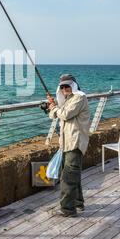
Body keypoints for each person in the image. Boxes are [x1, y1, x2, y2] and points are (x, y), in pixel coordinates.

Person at [47, 74, 91, 217]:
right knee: (74, 175)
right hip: (67, 143)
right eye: (62, 87)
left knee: (67, 178)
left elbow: (65, 114)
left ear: (74, 85)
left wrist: (54, 108)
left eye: (67, 86)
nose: (65, 88)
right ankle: (78, 203)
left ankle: (68, 210)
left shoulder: (79, 97)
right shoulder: (68, 100)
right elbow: (54, 115)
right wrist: (53, 106)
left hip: (75, 142)